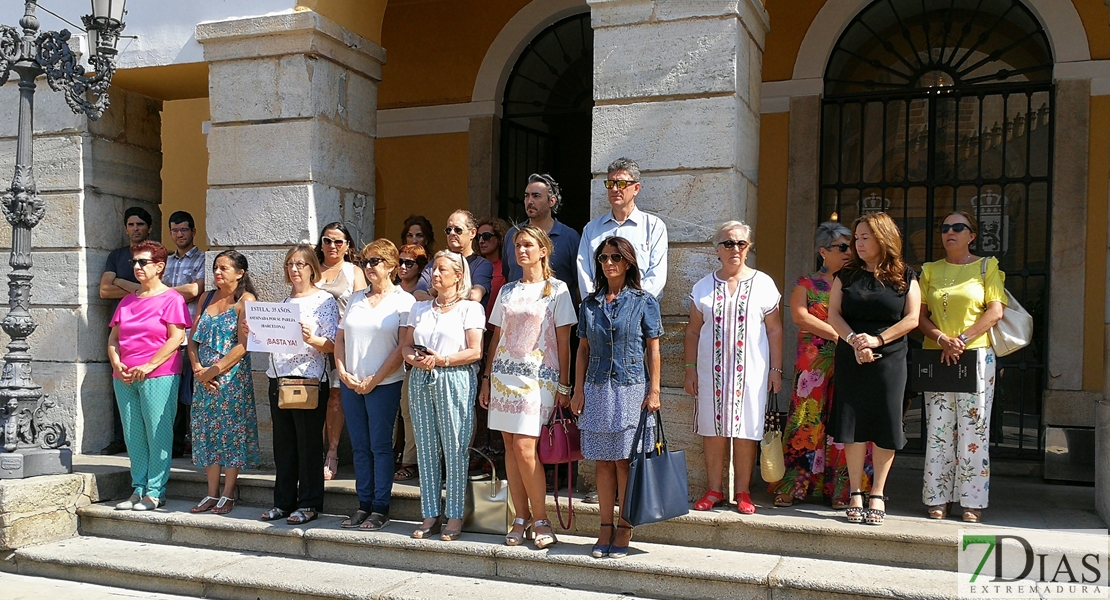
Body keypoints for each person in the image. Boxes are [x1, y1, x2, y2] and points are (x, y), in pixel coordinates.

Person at [478, 225, 576, 549]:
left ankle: (542, 519)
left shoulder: (557, 290)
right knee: (509, 446)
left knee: (525, 446)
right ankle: (520, 518)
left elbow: (565, 342)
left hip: (539, 378)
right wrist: (487, 378)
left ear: (543, 250)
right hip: (504, 375)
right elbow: (495, 337)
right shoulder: (506, 291)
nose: (521, 250)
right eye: (518, 245)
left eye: (528, 245)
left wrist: (565, 384)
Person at [768, 221, 873, 509]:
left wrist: (849, 341)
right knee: (806, 422)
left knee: (845, 424)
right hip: (813, 364)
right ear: (823, 251)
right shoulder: (807, 282)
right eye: (841, 247)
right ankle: (793, 486)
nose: (848, 252)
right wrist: (841, 336)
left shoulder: (857, 282)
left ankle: (843, 490)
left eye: (850, 246)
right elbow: (800, 316)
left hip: (849, 361)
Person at [570, 236, 663, 560]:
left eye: (615, 257)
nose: (609, 262)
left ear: (627, 263)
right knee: (603, 461)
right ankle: (604, 527)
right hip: (596, 388)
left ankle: (625, 527)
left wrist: (654, 390)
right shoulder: (590, 303)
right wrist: (577, 389)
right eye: (604, 258)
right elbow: (582, 349)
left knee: (625, 461)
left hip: (631, 388)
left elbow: (653, 348)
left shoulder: (643, 301)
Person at [826, 212, 921, 526]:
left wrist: (877, 340)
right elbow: (834, 315)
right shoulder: (846, 275)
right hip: (852, 355)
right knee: (852, 424)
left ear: (883, 238)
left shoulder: (905, 276)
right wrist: (855, 341)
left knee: (884, 424)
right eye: (857, 237)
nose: (859, 242)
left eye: (865, 237)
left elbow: (911, 319)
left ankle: (877, 492)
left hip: (890, 358)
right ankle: (855, 491)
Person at [684, 221, 783, 515]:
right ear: (717, 250)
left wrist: (775, 370)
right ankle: (714, 488)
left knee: (746, 430)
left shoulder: (764, 284)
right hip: (710, 372)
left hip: (751, 372)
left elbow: (775, 331)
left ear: (749, 248)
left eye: (741, 243)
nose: (735, 249)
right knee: (712, 429)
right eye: (728, 243)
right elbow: (692, 331)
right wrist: (690, 368)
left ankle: (742, 491)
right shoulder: (703, 287)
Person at [917, 212, 1006, 523]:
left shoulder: (987, 266)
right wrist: (942, 338)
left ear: (972, 235)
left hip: (976, 355)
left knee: (974, 430)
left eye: (958, 228)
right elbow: (920, 315)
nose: (949, 232)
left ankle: (972, 500)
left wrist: (963, 339)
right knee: (939, 431)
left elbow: (995, 311)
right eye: (944, 228)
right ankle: (937, 497)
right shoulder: (929, 270)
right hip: (938, 355)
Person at [250, 245, 339, 525]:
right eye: (290, 264)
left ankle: (310, 503)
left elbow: (332, 344)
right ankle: (283, 502)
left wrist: (311, 338)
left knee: (308, 445)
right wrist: (254, 332)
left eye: (300, 264)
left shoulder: (324, 301)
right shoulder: (285, 302)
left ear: (312, 267)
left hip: (308, 378)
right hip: (279, 378)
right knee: (284, 445)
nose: (295, 269)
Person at [402, 251, 485, 541]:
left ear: (458, 275)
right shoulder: (420, 308)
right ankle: (429, 513)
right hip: (422, 376)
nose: (435, 275)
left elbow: (475, 351)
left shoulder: (470, 309)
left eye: (442, 270)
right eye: (434, 270)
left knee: (456, 447)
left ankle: (455, 515)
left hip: (455, 377)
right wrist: (416, 359)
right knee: (425, 447)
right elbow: (406, 346)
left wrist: (444, 360)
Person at [334, 239, 416, 531]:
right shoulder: (356, 298)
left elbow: (402, 347)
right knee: (359, 447)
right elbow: (340, 338)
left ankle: (380, 507)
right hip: (352, 382)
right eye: (366, 261)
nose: (369, 267)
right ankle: (363, 503)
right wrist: (342, 370)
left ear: (392, 266)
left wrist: (375, 379)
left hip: (384, 383)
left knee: (381, 446)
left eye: (376, 261)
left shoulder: (404, 300)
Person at [106, 240, 191, 511]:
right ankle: (138, 488)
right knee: (133, 434)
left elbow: (176, 338)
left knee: (158, 432)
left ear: (160, 266)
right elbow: (113, 338)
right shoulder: (127, 300)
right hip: (125, 376)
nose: (137, 267)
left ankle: (155, 491)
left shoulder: (172, 299)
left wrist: (150, 365)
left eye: (143, 262)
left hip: (159, 374)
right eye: (135, 262)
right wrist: (117, 363)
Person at [186, 250, 260, 515]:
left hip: (231, 380)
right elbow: (192, 338)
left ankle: (228, 493)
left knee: (230, 434)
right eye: (215, 268)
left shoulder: (245, 300)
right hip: (204, 379)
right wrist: (197, 368)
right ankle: (210, 492)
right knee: (208, 433)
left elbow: (245, 345)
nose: (217, 273)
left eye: (224, 268)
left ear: (239, 273)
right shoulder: (206, 298)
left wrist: (215, 370)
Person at [99, 206, 154, 456]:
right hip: (121, 326)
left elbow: (154, 289)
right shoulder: (116, 255)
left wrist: (119, 282)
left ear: (149, 228)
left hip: (151, 329)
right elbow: (104, 290)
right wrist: (133, 287)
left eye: (140, 224)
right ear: (125, 228)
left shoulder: (155, 254)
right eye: (131, 225)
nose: (135, 229)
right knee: (120, 379)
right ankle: (121, 438)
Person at [315, 222, 369, 481]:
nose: (333, 246)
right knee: (311, 399)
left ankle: (332, 452)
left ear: (348, 245)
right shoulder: (311, 268)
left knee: (336, 398)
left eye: (339, 241)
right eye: (328, 240)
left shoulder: (354, 271)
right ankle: (312, 452)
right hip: (311, 345)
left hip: (343, 343)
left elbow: (361, 308)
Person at [577, 158, 667, 301]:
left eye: (621, 184)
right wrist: (595, 303)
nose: (614, 189)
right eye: (610, 183)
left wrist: (632, 304)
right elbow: (584, 272)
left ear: (636, 188)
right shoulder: (592, 229)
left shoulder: (654, 226)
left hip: (640, 312)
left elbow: (657, 275)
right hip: (600, 311)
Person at [163, 211, 206, 459]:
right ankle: (176, 446)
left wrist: (162, 293)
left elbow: (195, 290)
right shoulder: (165, 261)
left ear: (193, 232)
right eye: (175, 230)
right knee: (173, 396)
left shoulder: (201, 258)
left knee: (192, 394)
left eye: (184, 230)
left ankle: (196, 445)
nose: (179, 235)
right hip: (167, 336)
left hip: (191, 334)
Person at [503, 174, 582, 299]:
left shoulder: (570, 237)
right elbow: (507, 275)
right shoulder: (513, 235)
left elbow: (580, 286)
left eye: (536, 196)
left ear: (552, 201)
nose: (529, 201)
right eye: (526, 196)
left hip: (558, 315)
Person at [392, 243, 429, 483]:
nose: (403, 267)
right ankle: (390, 456)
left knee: (408, 413)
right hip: (385, 359)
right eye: (400, 262)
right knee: (391, 414)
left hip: (411, 361)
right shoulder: (391, 292)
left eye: (410, 262)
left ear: (421, 267)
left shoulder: (422, 296)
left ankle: (409, 461)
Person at [416, 211, 493, 308]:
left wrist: (437, 292)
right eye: (448, 230)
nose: (452, 233)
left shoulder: (482, 265)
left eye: (458, 230)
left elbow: (475, 295)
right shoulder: (435, 263)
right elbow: (418, 293)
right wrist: (440, 304)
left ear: (472, 233)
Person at [476, 218, 508, 320]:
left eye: (486, 236)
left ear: (499, 239)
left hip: (498, 325)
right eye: (478, 237)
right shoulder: (475, 265)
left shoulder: (506, 266)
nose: (481, 241)